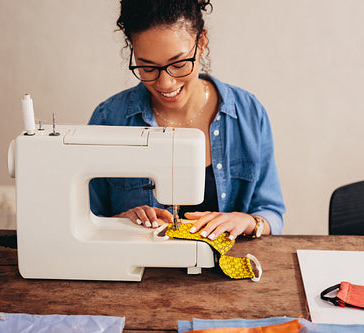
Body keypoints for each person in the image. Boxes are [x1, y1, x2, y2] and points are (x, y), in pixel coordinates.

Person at [89, 0, 285, 240]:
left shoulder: (249, 113)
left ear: (201, 42)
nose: (165, 83)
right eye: (147, 67)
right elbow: (88, 219)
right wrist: (120, 221)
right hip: (141, 270)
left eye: (179, 64)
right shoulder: (109, 120)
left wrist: (246, 221)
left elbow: (271, 213)